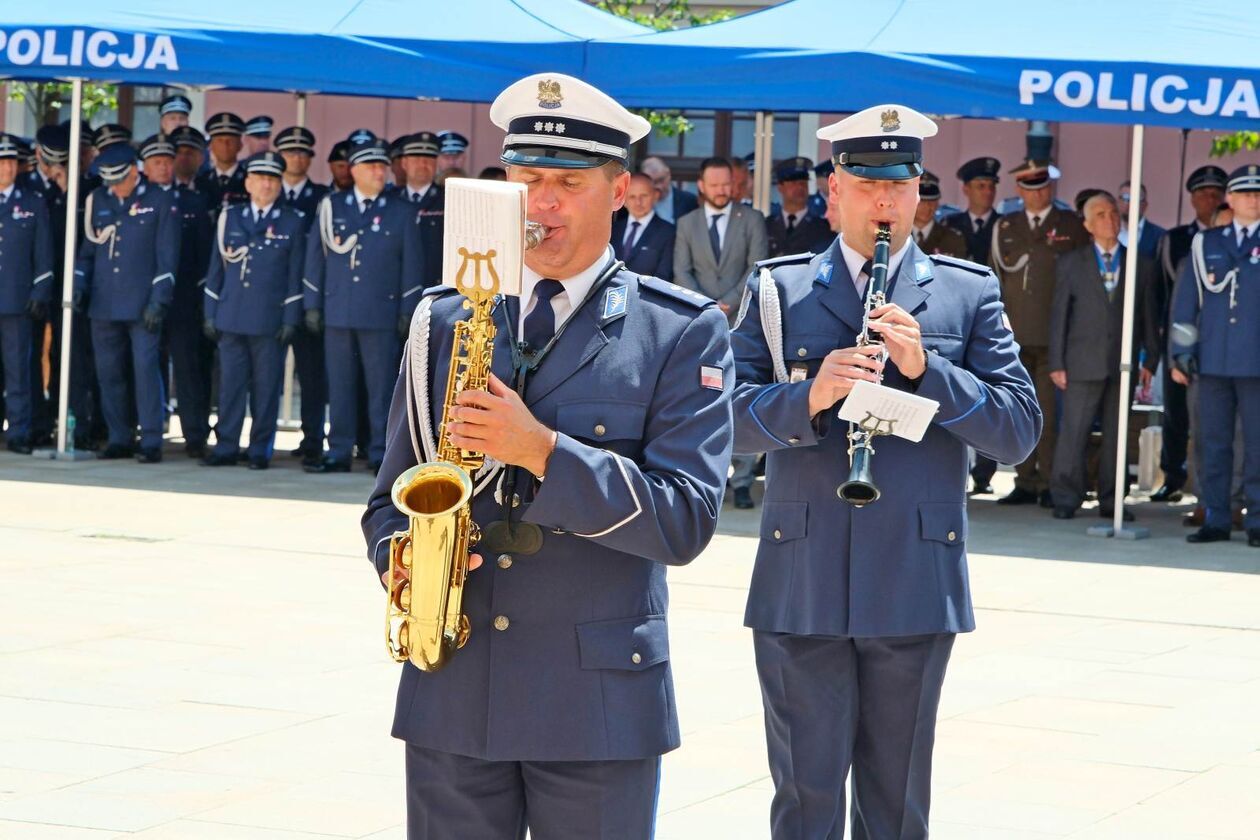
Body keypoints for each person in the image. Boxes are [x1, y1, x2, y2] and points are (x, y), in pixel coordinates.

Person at [363, 70, 732, 839]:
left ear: (620, 190)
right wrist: (402, 557)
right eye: (527, 179)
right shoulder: (443, 319)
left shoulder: (679, 331)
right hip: (454, 691)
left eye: (567, 182)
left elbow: (686, 521)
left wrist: (542, 453)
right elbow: (389, 495)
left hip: (593, 709)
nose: (543, 203)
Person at [730, 104, 1040, 840]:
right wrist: (810, 393)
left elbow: (1019, 432)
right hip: (801, 574)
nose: (884, 203)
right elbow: (723, 426)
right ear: (834, 190)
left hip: (913, 573)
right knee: (804, 801)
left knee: (897, 803)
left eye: (900, 188)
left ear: (917, 195)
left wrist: (928, 370)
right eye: (866, 185)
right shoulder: (777, 289)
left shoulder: (966, 291)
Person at [302, 137, 425, 474]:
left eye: (382, 166)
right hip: (338, 311)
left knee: (381, 389)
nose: (379, 172)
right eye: (371, 166)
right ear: (353, 170)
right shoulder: (332, 207)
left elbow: (411, 266)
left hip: (380, 314)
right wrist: (312, 304)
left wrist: (407, 311)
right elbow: (316, 260)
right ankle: (338, 450)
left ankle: (381, 453)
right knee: (339, 385)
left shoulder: (400, 212)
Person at [1048, 192, 1156, 520]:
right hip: (1081, 361)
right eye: (1100, 214)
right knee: (1074, 432)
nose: (1109, 219)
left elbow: (1149, 316)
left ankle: (1113, 500)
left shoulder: (1141, 263)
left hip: (1122, 364)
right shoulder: (1071, 262)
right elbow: (1059, 316)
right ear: (1087, 224)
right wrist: (1057, 362)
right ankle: (1066, 497)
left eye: (1113, 213)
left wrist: (1150, 360)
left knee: (1117, 435)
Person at [990, 158, 1089, 506]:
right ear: (1019, 190)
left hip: (1053, 338)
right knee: (1018, 410)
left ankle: (1048, 480)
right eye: (1031, 188)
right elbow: (995, 281)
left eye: (1044, 187)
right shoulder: (1005, 226)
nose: (1038, 194)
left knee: (1047, 412)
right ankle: (1025, 479)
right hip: (1013, 336)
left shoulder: (1071, 225)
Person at [1170, 164, 1260, 547]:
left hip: (1256, 362)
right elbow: (1186, 303)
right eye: (1246, 194)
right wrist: (1181, 351)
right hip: (1213, 362)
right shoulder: (1206, 243)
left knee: (1257, 446)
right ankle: (1217, 517)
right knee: (1213, 444)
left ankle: (1256, 521)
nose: (1253, 200)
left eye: (1258, 195)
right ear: (1231, 200)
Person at [73, 144, 179, 463]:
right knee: (109, 373)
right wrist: (79, 285)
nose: (115, 186)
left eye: (120, 179)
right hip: (104, 304)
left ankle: (150, 439)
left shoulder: (159, 201)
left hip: (142, 303)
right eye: (110, 181)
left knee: (145, 371)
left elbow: (167, 257)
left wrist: (159, 301)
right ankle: (119, 436)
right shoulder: (98, 201)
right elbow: (87, 253)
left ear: (135, 170)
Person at [201, 151, 306, 470]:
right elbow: (216, 269)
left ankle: (260, 448)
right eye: (260, 178)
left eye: (272, 179)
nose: (266, 185)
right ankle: (226, 445)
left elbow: (294, 275)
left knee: (266, 388)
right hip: (231, 315)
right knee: (231, 387)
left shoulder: (292, 221)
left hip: (269, 319)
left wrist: (290, 317)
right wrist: (210, 311)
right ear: (247, 182)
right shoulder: (230, 216)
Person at [674, 156, 767, 510]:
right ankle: (707, 475)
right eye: (714, 185)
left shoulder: (752, 219)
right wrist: (706, 306)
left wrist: (727, 302)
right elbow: (680, 270)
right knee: (700, 397)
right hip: (699, 323)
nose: (721, 191)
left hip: (741, 320)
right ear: (701, 186)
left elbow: (755, 268)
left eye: (726, 184)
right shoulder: (686, 223)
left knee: (740, 393)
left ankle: (743, 480)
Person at [1147, 164, 1228, 503]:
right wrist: (1157, 348)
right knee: (1176, 413)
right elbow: (1159, 296)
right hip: (1181, 340)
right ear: (1192, 199)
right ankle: (1173, 474)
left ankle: (1214, 489)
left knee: (1218, 419)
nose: (1210, 199)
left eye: (1216, 193)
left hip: (1222, 343)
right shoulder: (1175, 239)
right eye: (1203, 193)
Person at [140, 133, 214, 459]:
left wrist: (198, 297)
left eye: (169, 161)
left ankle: (194, 435)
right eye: (158, 162)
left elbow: (204, 255)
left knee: (187, 370)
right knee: (147, 368)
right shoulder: (136, 202)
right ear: (145, 167)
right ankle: (149, 432)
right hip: (146, 301)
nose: (165, 168)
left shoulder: (192, 202)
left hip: (184, 300)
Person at [942, 157, 1003, 494]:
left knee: (987, 391)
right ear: (965, 189)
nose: (988, 191)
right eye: (981, 185)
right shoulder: (951, 225)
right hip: (956, 320)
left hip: (988, 319)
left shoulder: (1005, 226)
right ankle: (959, 468)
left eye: (992, 185)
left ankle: (985, 471)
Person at [273, 126, 331, 466]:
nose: (295, 158)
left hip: (310, 297)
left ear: (310, 158)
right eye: (289, 152)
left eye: (301, 152)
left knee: (311, 376)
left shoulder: (321, 197)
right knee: (266, 375)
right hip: (273, 300)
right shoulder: (264, 189)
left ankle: (312, 439)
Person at [0, 134, 54, 454]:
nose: (6, 168)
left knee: (19, 369)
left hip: (16, 298)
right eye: (1, 162)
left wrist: (40, 290)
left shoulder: (31, 203)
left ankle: (19, 431)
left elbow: (43, 254)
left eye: (10, 162)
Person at [396, 132, 446, 290]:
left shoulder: (449, 199)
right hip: (396, 290)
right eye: (416, 159)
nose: (423, 165)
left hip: (435, 288)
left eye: (429, 159)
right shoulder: (390, 200)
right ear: (404, 163)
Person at [766, 156, 834, 258]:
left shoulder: (822, 227)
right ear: (780, 187)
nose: (800, 187)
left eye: (803, 183)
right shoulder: (767, 225)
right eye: (793, 183)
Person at [611, 172, 674, 280]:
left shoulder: (669, 232)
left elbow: (664, 276)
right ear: (623, 200)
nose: (638, 202)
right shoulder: (612, 229)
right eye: (632, 197)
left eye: (644, 196)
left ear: (655, 196)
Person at [196, 112, 248, 213]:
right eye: (220, 140)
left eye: (230, 141)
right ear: (210, 146)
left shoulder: (249, 181)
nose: (225, 145)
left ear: (240, 145)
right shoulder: (200, 181)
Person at [912, 170, 968, 257]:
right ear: (912, 201)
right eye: (922, 201)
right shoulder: (896, 236)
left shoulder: (953, 239)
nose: (927, 206)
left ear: (938, 203)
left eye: (932, 201)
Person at [640, 155, 698, 224]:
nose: (659, 186)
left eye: (661, 180)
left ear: (669, 175)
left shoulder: (690, 201)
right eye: (653, 182)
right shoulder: (636, 202)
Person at [1118, 181, 1165, 258]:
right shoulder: (1106, 231)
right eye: (1126, 198)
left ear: (1145, 205)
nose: (1131, 204)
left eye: (1136, 199)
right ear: (1118, 201)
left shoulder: (1160, 235)